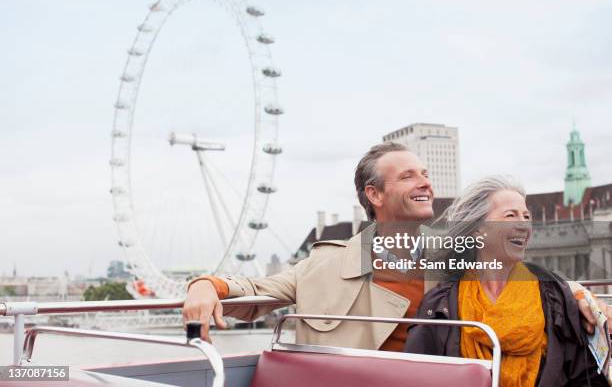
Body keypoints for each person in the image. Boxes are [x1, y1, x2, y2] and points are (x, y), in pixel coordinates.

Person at [183, 143, 607, 351]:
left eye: (424, 173)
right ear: (375, 195)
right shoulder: (327, 263)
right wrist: (206, 286)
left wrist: (580, 295)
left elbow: (524, 282)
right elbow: (256, 291)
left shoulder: (456, 256)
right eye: (408, 176)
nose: (425, 181)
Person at [404, 176, 607, 386]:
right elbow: (417, 376)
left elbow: (586, 375)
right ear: (477, 230)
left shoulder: (556, 296)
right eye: (511, 215)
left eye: (526, 216)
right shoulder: (440, 304)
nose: (523, 224)